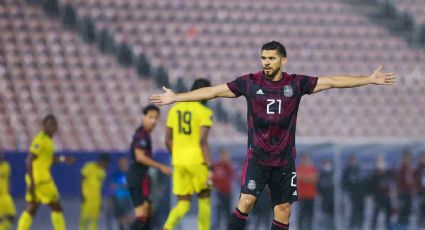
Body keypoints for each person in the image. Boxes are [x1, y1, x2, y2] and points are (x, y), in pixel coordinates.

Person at [150, 40, 396, 230]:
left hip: (284, 161)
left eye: (271, 58)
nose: (266, 62)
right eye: (263, 58)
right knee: (245, 202)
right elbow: (213, 91)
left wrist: (368, 79)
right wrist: (176, 97)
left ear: (283, 60)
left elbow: (332, 81)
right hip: (257, 158)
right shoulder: (249, 82)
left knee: (283, 211)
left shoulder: (296, 84)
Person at [163, 79, 214, 230]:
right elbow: (202, 140)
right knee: (204, 199)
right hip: (198, 162)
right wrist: (210, 167)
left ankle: (167, 227)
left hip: (178, 162)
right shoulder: (205, 112)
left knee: (183, 203)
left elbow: (167, 139)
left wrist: (178, 155)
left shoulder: (174, 109)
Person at [17, 114, 75, 230]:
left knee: (32, 208)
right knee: (57, 207)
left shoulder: (48, 140)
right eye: (50, 124)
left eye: (54, 125)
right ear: (44, 126)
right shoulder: (41, 139)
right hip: (41, 179)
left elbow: (49, 159)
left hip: (36, 179)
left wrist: (63, 159)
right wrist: (32, 182)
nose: (53, 127)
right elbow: (29, 159)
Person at [126, 105, 172, 230]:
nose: (153, 121)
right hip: (137, 176)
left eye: (156, 118)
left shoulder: (145, 134)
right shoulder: (141, 135)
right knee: (142, 215)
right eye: (150, 117)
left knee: (147, 214)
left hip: (142, 177)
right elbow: (140, 157)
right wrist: (160, 166)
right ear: (143, 117)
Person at [79, 154, 110, 230]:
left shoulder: (103, 172)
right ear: (101, 161)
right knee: (84, 218)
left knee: (95, 219)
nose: (106, 165)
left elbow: (99, 187)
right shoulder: (89, 166)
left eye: (107, 163)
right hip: (87, 196)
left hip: (96, 198)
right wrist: (81, 194)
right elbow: (81, 179)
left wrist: (100, 202)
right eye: (105, 163)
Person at [342, 154, 367, 230]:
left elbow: (364, 182)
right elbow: (344, 183)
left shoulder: (359, 169)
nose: (352, 162)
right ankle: (352, 225)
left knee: (361, 210)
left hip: (360, 194)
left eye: (354, 160)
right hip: (351, 194)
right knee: (352, 210)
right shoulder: (347, 170)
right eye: (351, 160)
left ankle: (360, 225)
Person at [212, 148, 234, 230]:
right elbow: (212, 179)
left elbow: (231, 176)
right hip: (218, 193)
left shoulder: (228, 165)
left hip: (227, 193)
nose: (225, 157)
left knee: (227, 212)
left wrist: (227, 163)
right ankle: (215, 227)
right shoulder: (216, 165)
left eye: (226, 155)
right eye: (223, 155)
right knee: (217, 213)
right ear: (219, 155)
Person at [369, 155, 392, 229]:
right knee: (376, 214)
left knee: (388, 214)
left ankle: (387, 227)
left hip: (387, 196)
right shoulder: (374, 175)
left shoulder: (388, 173)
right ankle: (373, 227)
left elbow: (391, 182)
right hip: (378, 197)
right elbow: (371, 187)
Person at [111, 156, 133, 230]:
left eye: (124, 162)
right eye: (121, 162)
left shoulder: (130, 173)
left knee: (130, 217)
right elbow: (113, 186)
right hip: (119, 198)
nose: (123, 163)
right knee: (120, 217)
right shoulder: (116, 174)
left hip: (129, 198)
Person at [297, 154, 318, 230]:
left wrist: (304, 178)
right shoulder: (299, 168)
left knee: (310, 216)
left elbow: (314, 179)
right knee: (301, 216)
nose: (305, 161)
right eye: (304, 159)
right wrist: (308, 178)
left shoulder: (312, 168)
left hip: (311, 196)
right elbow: (298, 177)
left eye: (306, 159)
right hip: (302, 196)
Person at [396, 151, 414, 229]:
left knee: (407, 211)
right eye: (406, 158)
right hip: (402, 193)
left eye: (409, 158)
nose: (408, 160)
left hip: (409, 193)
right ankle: (400, 227)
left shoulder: (410, 168)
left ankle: (405, 227)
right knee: (402, 212)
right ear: (403, 159)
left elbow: (411, 180)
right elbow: (398, 181)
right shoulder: (400, 168)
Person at [0, 149, 16, 230]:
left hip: (6, 196)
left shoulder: (6, 166)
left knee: (12, 216)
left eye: (1, 155)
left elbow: (7, 179)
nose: (1, 157)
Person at [317, 159, 334, 230]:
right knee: (325, 216)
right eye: (325, 164)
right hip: (324, 199)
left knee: (333, 216)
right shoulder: (321, 175)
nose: (327, 166)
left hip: (333, 200)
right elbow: (318, 187)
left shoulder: (334, 174)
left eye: (328, 163)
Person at [414, 153, 425, 229]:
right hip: (420, 193)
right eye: (422, 158)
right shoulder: (417, 169)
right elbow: (413, 180)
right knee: (419, 211)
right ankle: (420, 226)